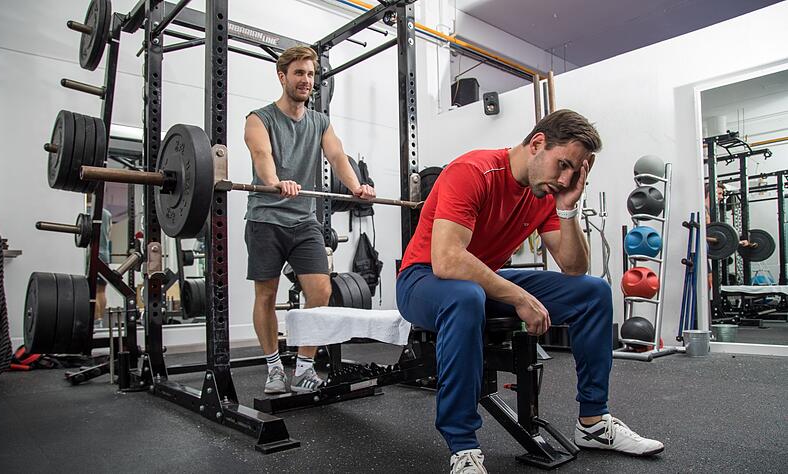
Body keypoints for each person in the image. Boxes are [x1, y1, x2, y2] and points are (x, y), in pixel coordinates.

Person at [396, 110, 664, 473]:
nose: (566, 178)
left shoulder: (545, 193)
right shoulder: (474, 171)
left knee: (593, 292)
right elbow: (446, 261)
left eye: (575, 171)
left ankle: (593, 423)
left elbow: (573, 267)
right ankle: (463, 446)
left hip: (480, 277)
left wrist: (568, 210)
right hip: (422, 278)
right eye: (563, 164)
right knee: (465, 296)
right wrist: (520, 298)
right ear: (537, 143)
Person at [243, 46, 376, 394]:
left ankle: (303, 367)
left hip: (304, 220)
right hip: (266, 218)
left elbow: (338, 156)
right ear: (282, 76)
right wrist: (274, 183)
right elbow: (262, 154)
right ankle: (274, 368)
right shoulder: (259, 118)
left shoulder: (319, 122)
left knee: (321, 290)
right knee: (266, 294)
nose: (306, 81)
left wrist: (357, 186)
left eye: (311, 74)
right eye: (299, 73)